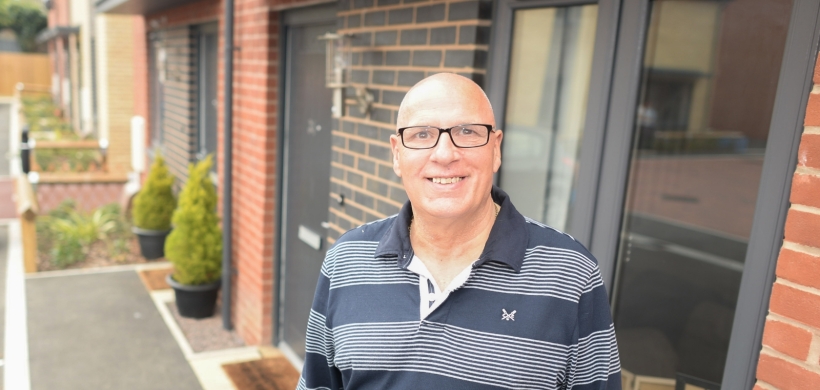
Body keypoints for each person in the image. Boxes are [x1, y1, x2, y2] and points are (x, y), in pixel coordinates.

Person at [297, 73, 621, 389]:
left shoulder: (571, 275)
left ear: (496, 149)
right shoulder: (347, 261)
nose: (445, 154)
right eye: (422, 134)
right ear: (397, 154)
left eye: (466, 131)